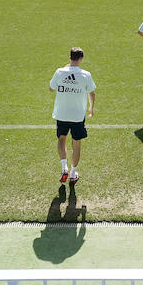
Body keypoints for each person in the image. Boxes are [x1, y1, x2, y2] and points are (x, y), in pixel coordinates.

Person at [49, 47, 96, 185]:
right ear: (81, 59)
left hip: (62, 114)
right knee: (76, 144)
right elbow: (92, 93)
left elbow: (51, 88)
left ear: (69, 57)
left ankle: (64, 167)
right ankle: (73, 172)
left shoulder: (59, 72)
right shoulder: (86, 75)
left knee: (61, 139)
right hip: (77, 116)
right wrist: (91, 108)